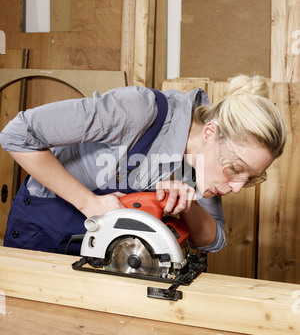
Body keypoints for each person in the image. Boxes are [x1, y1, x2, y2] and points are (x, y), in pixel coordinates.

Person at [0, 75, 286, 256]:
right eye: (236, 169)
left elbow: (214, 240)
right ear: (210, 133)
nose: (237, 187)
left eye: (251, 178)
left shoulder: (201, 164)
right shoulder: (138, 111)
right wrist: (89, 203)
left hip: (115, 251)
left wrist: (188, 206)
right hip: (46, 230)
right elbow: (17, 134)